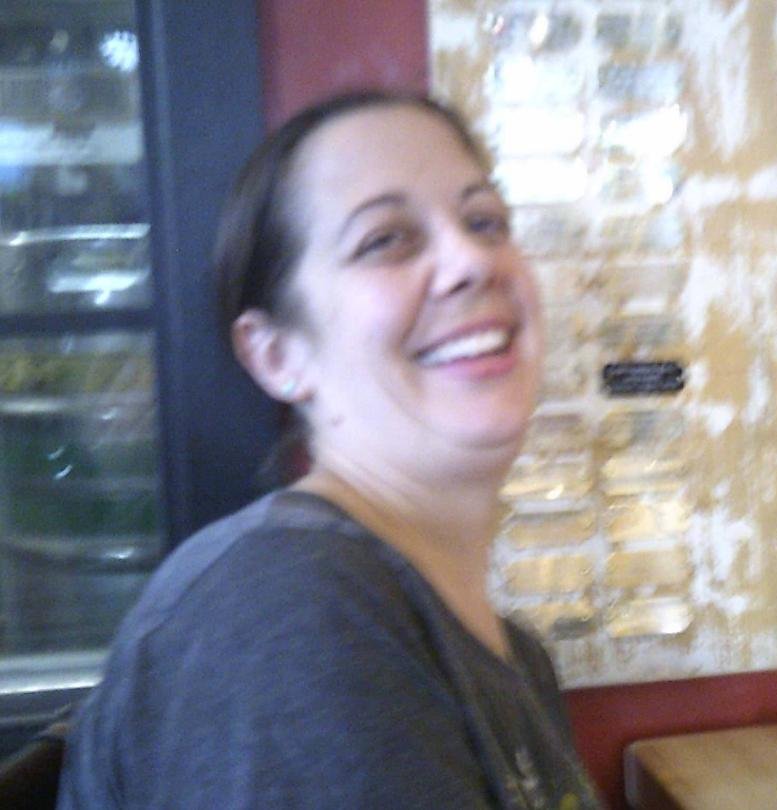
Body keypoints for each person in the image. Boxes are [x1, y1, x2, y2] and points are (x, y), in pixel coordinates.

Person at [57, 90, 602, 809]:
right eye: (385, 239)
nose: (473, 259)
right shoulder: (285, 615)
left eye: (485, 221)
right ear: (278, 355)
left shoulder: (513, 656)